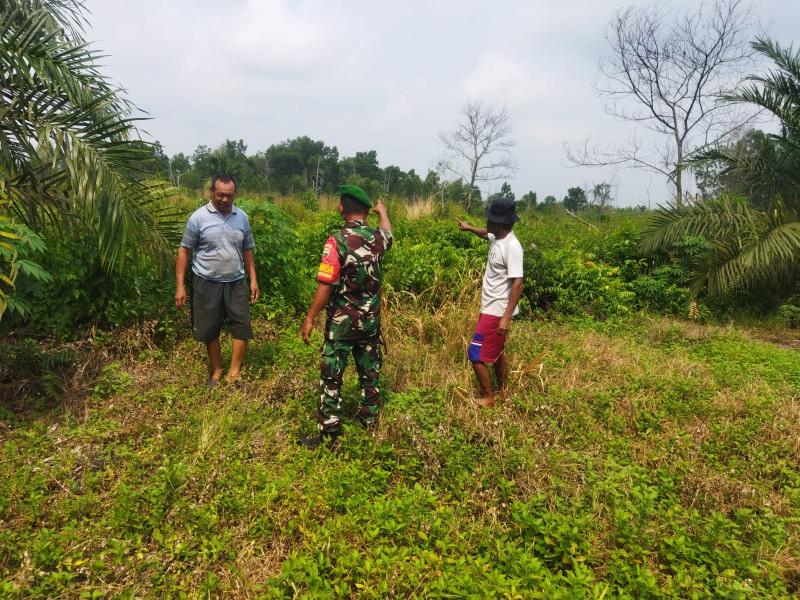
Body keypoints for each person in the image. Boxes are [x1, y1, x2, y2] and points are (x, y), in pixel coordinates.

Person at [300, 185, 392, 449]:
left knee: (332, 377)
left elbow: (326, 285)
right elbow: (388, 231)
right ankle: (369, 423)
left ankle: (329, 434)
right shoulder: (378, 238)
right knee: (370, 375)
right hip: (370, 324)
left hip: (341, 326)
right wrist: (382, 211)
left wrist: (309, 318)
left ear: (341, 209)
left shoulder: (336, 241)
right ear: (366, 211)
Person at [175, 174, 259, 389]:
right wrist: (180, 286)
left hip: (236, 281)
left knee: (241, 327)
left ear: (235, 196)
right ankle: (216, 371)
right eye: (220, 194)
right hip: (205, 282)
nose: (224, 199)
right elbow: (184, 250)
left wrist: (253, 280)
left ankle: (234, 373)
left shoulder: (242, 217)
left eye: (229, 196)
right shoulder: (198, 218)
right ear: (212, 192)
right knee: (210, 329)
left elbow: (247, 249)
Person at [456, 197, 524, 408]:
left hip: (497, 310)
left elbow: (518, 283)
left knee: (475, 353)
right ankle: (503, 391)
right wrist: (468, 228)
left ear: (500, 222)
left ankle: (488, 397)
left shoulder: (512, 246)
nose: (486, 221)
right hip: (490, 307)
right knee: (496, 351)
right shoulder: (498, 237)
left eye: (489, 218)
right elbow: (485, 233)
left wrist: (505, 318)